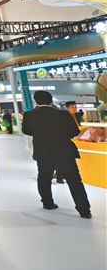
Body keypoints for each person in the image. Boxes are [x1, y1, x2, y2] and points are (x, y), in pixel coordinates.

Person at [22, 90, 91, 219]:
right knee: (74, 179)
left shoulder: (29, 115)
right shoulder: (63, 114)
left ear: (36, 101)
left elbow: (26, 130)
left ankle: (47, 203)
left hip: (42, 150)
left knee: (44, 176)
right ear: (51, 101)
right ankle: (84, 210)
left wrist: (40, 134)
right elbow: (74, 131)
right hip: (64, 150)